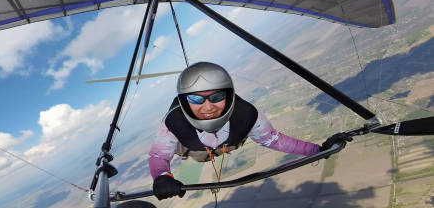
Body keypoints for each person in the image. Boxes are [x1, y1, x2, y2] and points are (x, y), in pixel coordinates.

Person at [149, 62, 349, 200]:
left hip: (228, 141)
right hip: (192, 147)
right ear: (185, 101)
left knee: (230, 137)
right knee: (193, 151)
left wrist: (318, 150)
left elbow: (274, 140)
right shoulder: (173, 123)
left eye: (217, 96)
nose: (208, 107)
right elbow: (159, 155)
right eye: (196, 99)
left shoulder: (246, 114)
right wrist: (162, 176)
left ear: (229, 95)